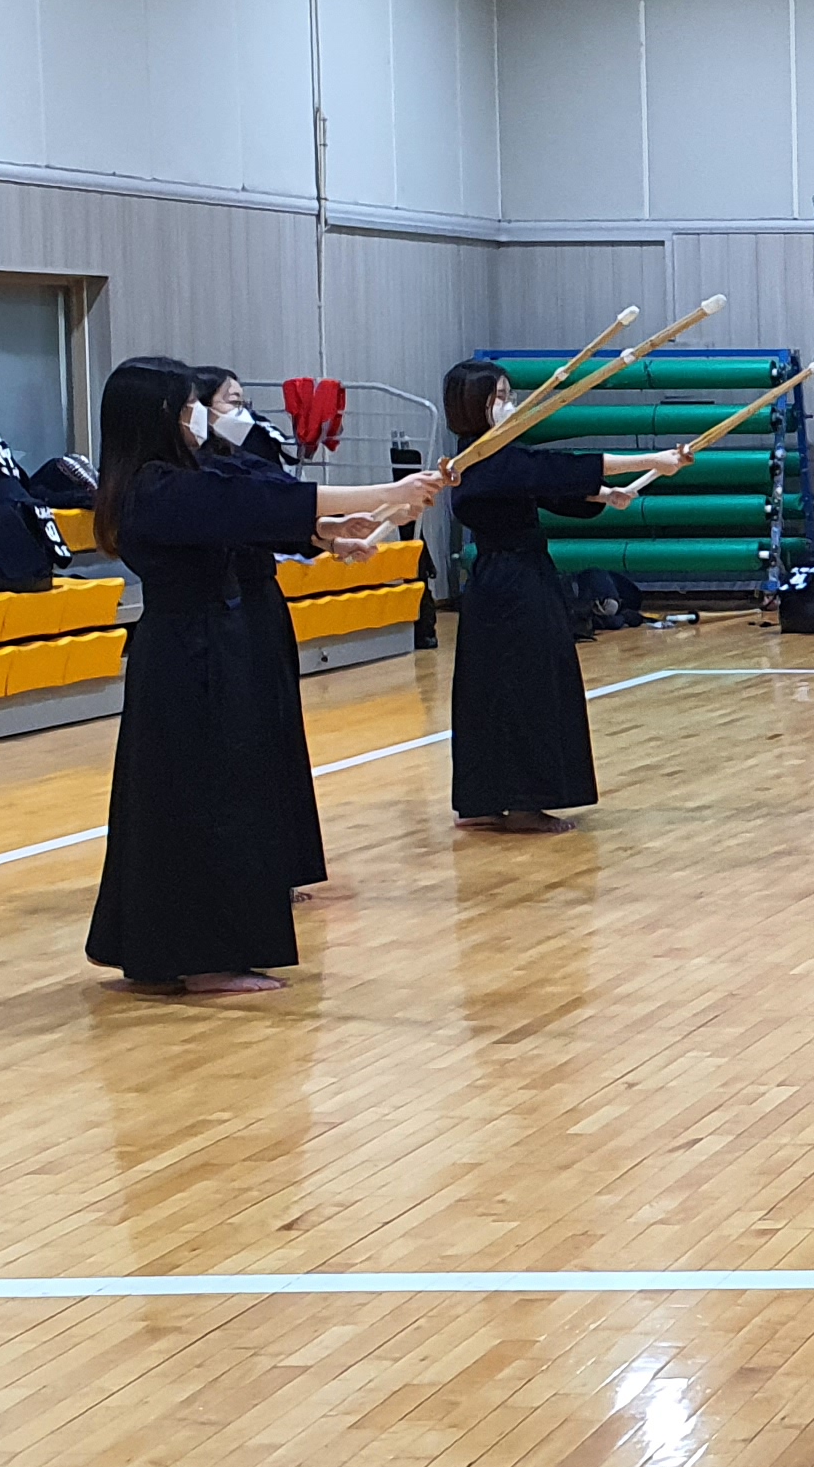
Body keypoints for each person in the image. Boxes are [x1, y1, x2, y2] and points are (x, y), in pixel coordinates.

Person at [83, 355, 440, 993]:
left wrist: (327, 531)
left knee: (213, 789)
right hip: (190, 655)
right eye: (187, 405)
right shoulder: (155, 488)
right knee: (204, 795)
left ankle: (172, 949)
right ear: (158, 415)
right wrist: (388, 493)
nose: (196, 415)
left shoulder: (184, 475)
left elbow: (249, 506)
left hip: (209, 645)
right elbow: (247, 502)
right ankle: (204, 957)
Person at [436, 359, 687, 833]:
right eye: (499, 397)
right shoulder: (479, 460)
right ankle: (524, 804)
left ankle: (483, 799)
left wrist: (604, 495)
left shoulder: (493, 459)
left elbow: (548, 488)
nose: (510, 405)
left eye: (509, 395)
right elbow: (554, 470)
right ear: (473, 405)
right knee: (527, 684)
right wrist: (651, 460)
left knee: (493, 687)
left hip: (502, 582)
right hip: (514, 585)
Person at [192, 363, 330, 890]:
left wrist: (326, 535)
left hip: (263, 596)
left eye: (243, 400)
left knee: (277, 722)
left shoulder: (254, 449)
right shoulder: (190, 474)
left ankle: (284, 858)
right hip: (224, 605)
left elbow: (286, 502)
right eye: (230, 401)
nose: (242, 411)